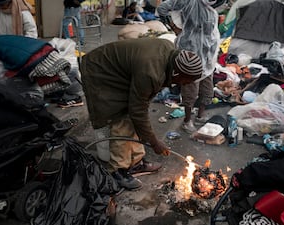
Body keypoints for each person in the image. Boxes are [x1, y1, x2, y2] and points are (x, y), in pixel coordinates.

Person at [80, 38, 203, 190]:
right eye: (184, 81)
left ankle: (136, 162)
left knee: (135, 119)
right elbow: (137, 110)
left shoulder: (170, 52)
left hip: (121, 71)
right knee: (121, 117)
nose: (183, 85)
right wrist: (154, 142)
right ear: (176, 72)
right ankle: (118, 171)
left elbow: (140, 108)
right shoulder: (150, 73)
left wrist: (148, 136)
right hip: (100, 71)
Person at [157, 0, 220, 134]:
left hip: (207, 54)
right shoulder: (189, 2)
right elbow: (163, 8)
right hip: (191, 51)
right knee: (191, 89)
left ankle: (200, 115)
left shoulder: (211, 9)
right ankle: (187, 120)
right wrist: (173, 26)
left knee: (207, 87)